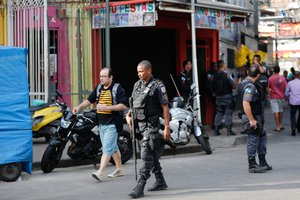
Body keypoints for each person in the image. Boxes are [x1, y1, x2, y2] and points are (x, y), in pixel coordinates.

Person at [73, 67, 129, 181]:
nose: (101, 79)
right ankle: (120, 169)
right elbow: (89, 100)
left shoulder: (117, 89)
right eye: (100, 76)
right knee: (113, 147)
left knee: (107, 149)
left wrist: (107, 107)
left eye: (104, 76)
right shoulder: (99, 88)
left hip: (113, 124)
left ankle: (100, 172)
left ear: (110, 77)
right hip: (102, 124)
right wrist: (79, 107)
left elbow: (124, 105)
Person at [126, 60, 171, 198]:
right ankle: (160, 180)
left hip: (151, 126)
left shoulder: (158, 85)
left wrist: (167, 128)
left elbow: (165, 107)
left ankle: (140, 186)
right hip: (139, 125)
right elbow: (133, 103)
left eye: (141, 71)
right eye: (138, 71)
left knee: (145, 155)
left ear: (149, 70)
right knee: (150, 153)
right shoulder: (137, 85)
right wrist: (128, 116)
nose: (139, 74)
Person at [239, 64, 272, 173]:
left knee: (262, 134)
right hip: (251, 116)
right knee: (253, 139)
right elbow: (246, 103)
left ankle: (262, 161)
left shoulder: (246, 83)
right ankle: (252, 165)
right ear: (258, 75)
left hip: (254, 115)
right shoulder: (250, 86)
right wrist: (251, 120)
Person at [212, 60, 236, 136]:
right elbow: (233, 85)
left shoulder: (214, 76)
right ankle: (229, 130)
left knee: (219, 113)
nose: (225, 66)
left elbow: (211, 86)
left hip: (218, 97)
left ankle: (216, 130)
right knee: (228, 113)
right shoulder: (227, 75)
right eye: (225, 64)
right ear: (223, 66)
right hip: (227, 97)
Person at [267, 65, 287, 131]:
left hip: (273, 97)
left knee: (276, 111)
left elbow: (268, 88)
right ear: (279, 70)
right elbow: (286, 87)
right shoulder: (283, 78)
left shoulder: (270, 78)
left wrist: (268, 93)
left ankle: (277, 126)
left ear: (273, 70)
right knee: (281, 111)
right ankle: (281, 125)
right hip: (281, 97)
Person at [285, 71, 300, 136]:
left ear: (293, 76)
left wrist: (288, 97)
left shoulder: (290, 83)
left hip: (293, 102)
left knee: (292, 115)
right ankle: (299, 127)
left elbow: (286, 93)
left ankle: (293, 128)